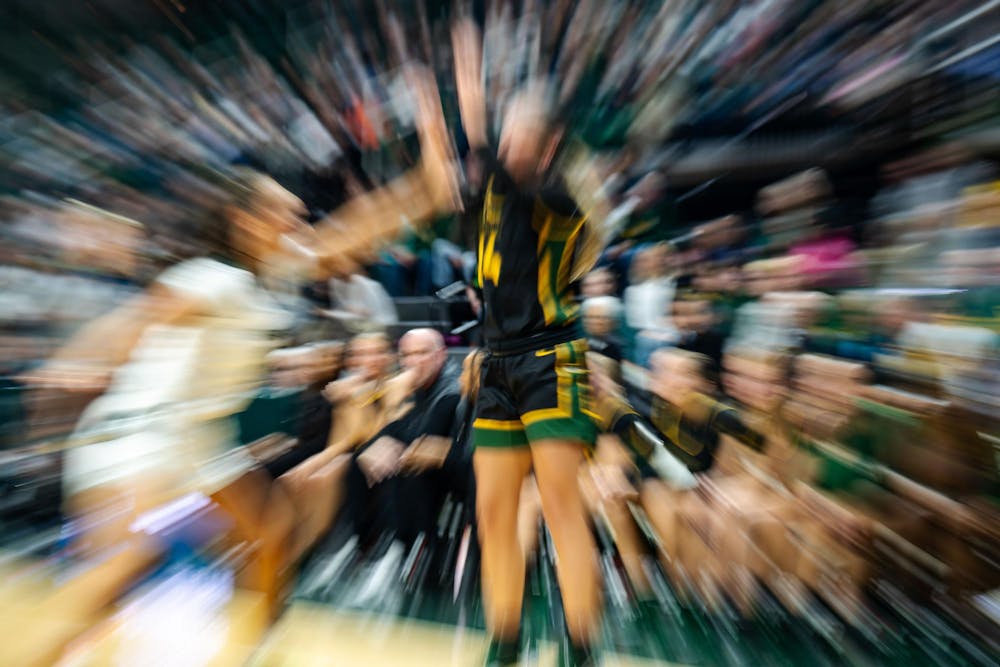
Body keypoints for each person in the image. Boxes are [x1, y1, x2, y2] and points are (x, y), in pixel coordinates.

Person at [451, 18, 601, 666]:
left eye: (523, 131)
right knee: (491, 512)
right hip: (497, 363)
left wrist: (473, 100)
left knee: (563, 508)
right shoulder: (494, 187)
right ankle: (505, 642)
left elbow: (493, 156)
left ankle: (581, 645)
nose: (508, 140)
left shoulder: (560, 194)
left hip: (551, 359)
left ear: (548, 144)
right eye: (508, 129)